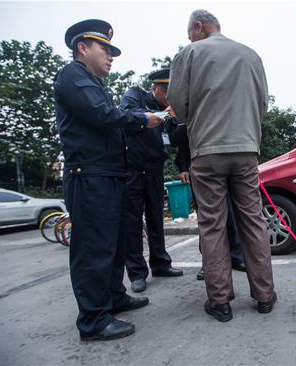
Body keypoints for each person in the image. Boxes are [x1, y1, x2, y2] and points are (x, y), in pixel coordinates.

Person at [54, 19, 164, 341]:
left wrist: (141, 122)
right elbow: (102, 116)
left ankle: (113, 296)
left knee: (115, 243)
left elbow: (109, 119)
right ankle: (93, 320)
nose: (111, 56)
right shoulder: (72, 75)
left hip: (110, 174)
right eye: (105, 48)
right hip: (90, 176)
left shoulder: (92, 81)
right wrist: (143, 120)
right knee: (94, 248)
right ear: (82, 47)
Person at [167, 9, 276, 322]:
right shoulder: (251, 55)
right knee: (253, 221)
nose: (190, 38)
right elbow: (263, 105)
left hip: (207, 151)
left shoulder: (188, 55)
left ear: (198, 27)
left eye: (191, 33)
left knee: (213, 224)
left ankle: (220, 302)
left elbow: (179, 108)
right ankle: (265, 295)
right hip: (245, 148)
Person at [120, 69, 183, 293]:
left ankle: (161, 263)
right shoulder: (135, 96)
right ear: (155, 88)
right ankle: (137, 273)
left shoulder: (168, 108)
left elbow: (173, 138)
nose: (169, 98)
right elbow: (126, 116)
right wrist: (165, 115)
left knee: (156, 219)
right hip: (133, 170)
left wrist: (178, 122)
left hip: (155, 170)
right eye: (166, 93)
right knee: (133, 223)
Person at [172, 124, 246, 281]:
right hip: (201, 165)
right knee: (207, 218)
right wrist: (183, 166)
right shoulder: (191, 106)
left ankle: (236, 256)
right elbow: (180, 137)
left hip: (228, 159)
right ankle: (210, 263)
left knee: (231, 214)